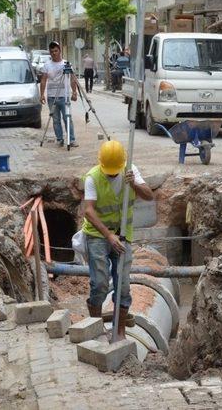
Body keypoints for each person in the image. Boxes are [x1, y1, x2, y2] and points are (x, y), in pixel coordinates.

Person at [81, 140, 154, 340]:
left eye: (115, 171)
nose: (112, 174)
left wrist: (135, 184)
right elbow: (88, 210)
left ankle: (119, 330)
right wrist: (108, 235)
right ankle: (96, 328)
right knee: (100, 283)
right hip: (98, 235)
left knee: (123, 283)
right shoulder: (92, 177)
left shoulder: (131, 171)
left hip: (123, 234)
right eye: (109, 171)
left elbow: (148, 196)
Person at [39, 41, 79, 147]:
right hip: (52, 97)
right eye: (52, 51)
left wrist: (74, 92)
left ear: (60, 51)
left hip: (64, 96)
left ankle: (71, 139)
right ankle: (60, 139)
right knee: (56, 120)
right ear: (50, 53)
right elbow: (43, 80)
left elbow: (72, 79)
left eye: (56, 51)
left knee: (67, 118)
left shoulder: (66, 64)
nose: (54, 53)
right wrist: (42, 94)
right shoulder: (47, 65)